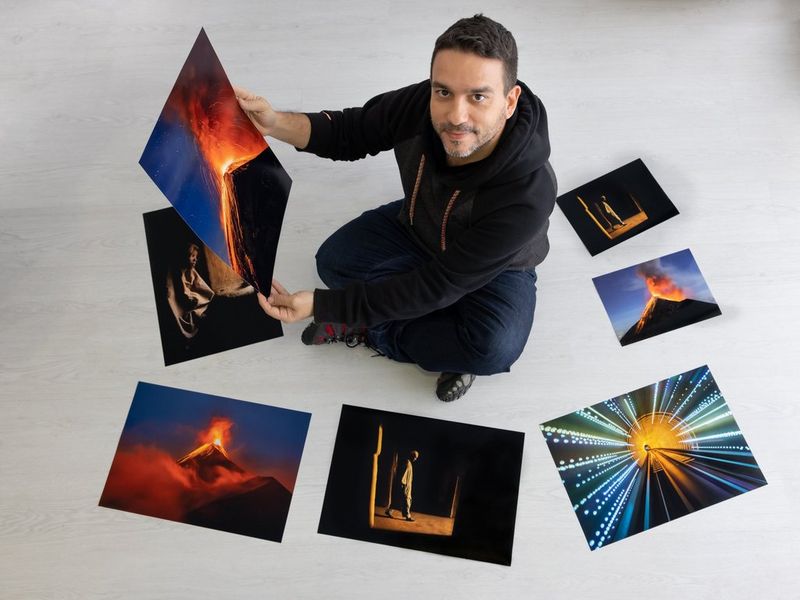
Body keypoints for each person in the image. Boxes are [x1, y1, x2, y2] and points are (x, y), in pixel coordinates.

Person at [235, 14, 557, 402]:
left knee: (493, 347)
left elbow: (439, 285)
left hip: (496, 268)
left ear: (509, 101)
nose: (456, 115)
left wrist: (326, 307)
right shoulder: (423, 104)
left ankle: (370, 328)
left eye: (478, 96)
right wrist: (274, 123)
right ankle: (407, 332)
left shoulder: (529, 193)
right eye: (444, 92)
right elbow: (350, 132)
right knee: (333, 262)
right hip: (418, 225)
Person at [385, 450, 420, 521]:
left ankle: (389, 511)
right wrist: (402, 484)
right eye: (415, 457)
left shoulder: (409, 463)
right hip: (405, 486)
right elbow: (403, 474)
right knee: (407, 500)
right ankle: (408, 516)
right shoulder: (407, 463)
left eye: (416, 458)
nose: (415, 459)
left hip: (407, 485)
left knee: (399, 499)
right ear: (412, 456)